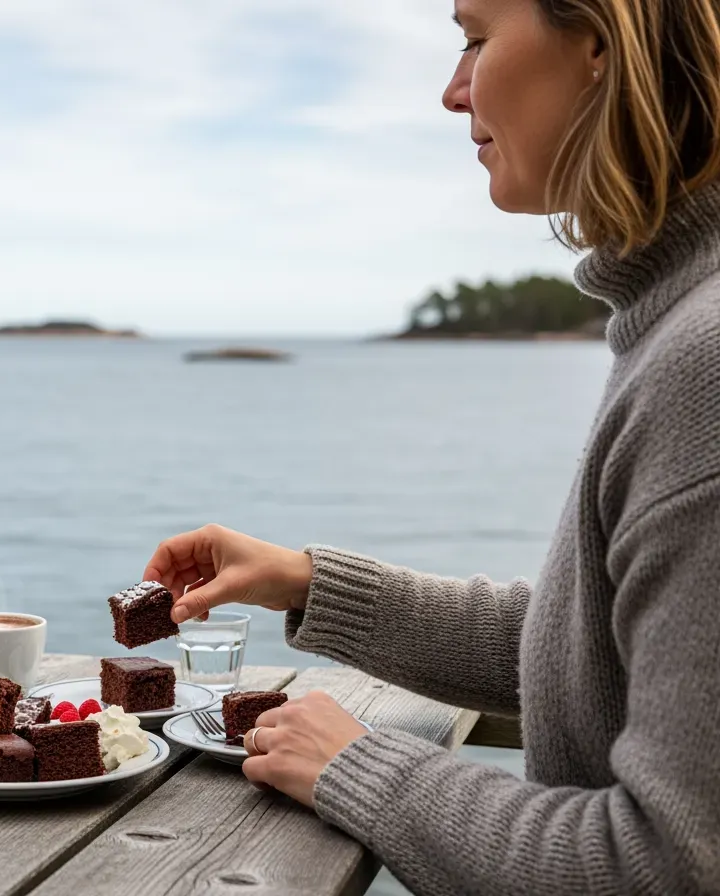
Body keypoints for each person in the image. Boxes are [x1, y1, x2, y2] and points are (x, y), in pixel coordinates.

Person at [143, 0, 720, 893]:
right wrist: (305, 581)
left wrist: (357, 767)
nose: (454, 92)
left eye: (477, 38)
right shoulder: (678, 325)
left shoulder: (703, 367)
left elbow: (666, 867)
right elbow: (593, 651)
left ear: (601, 45)